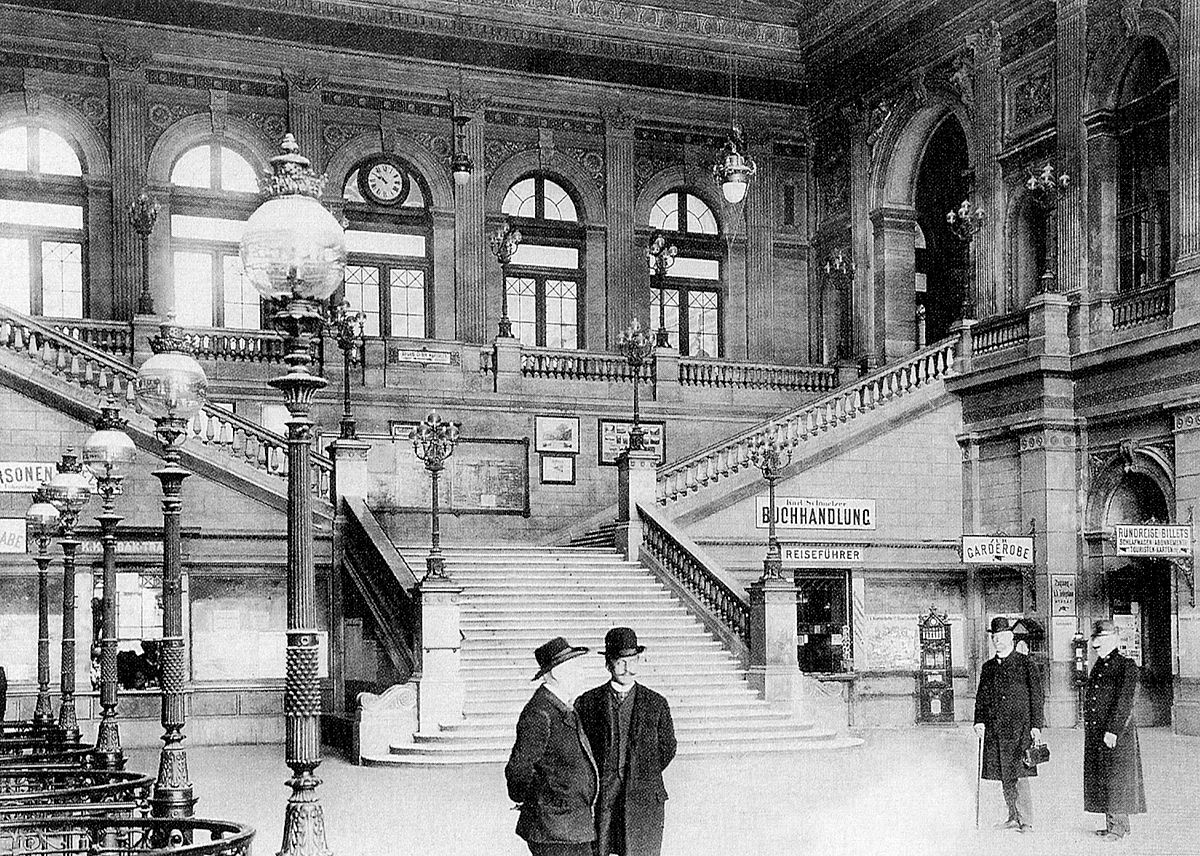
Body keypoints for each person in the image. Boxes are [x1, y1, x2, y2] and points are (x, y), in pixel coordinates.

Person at [575, 627, 677, 856]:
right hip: (603, 796)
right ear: (608, 664)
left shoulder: (656, 703)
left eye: (632, 661)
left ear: (639, 661)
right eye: (620, 662)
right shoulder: (588, 702)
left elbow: (668, 747)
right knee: (598, 850)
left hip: (643, 797)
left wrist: (640, 771)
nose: (627, 669)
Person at [505, 636, 599, 856]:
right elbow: (518, 770)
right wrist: (543, 802)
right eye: (575, 667)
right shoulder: (540, 712)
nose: (581, 674)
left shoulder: (562, 707)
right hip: (555, 830)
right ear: (557, 672)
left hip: (570, 826)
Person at [973, 616, 1044, 834]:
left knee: (1020, 775)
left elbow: (1036, 697)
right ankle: (1012, 817)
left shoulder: (1026, 664)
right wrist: (979, 721)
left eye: (1002, 636)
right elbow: (981, 698)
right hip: (996, 729)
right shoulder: (988, 668)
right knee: (1005, 774)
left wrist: (1036, 725)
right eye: (995, 637)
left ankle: (1027, 821)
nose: (998, 641)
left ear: (1011, 637)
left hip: (1020, 728)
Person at [1084, 619, 1146, 841]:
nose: (1095, 645)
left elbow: (1125, 701)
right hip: (1098, 732)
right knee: (1103, 776)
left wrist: (1113, 730)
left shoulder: (1126, 666)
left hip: (1116, 733)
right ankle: (1113, 824)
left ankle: (1118, 828)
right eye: (1095, 640)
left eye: (1100, 640)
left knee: (1117, 778)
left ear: (1113, 640)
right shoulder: (1099, 665)